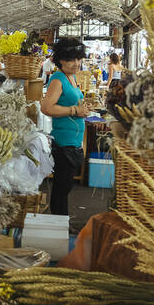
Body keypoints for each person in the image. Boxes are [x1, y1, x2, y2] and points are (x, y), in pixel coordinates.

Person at [41, 37, 89, 216]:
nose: (76, 63)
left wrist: (81, 108)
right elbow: (47, 107)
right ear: (61, 59)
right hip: (63, 143)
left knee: (65, 187)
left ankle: (61, 222)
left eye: (78, 59)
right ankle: (59, 223)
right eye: (70, 59)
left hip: (72, 141)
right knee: (62, 189)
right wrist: (75, 110)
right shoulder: (58, 79)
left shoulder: (71, 77)